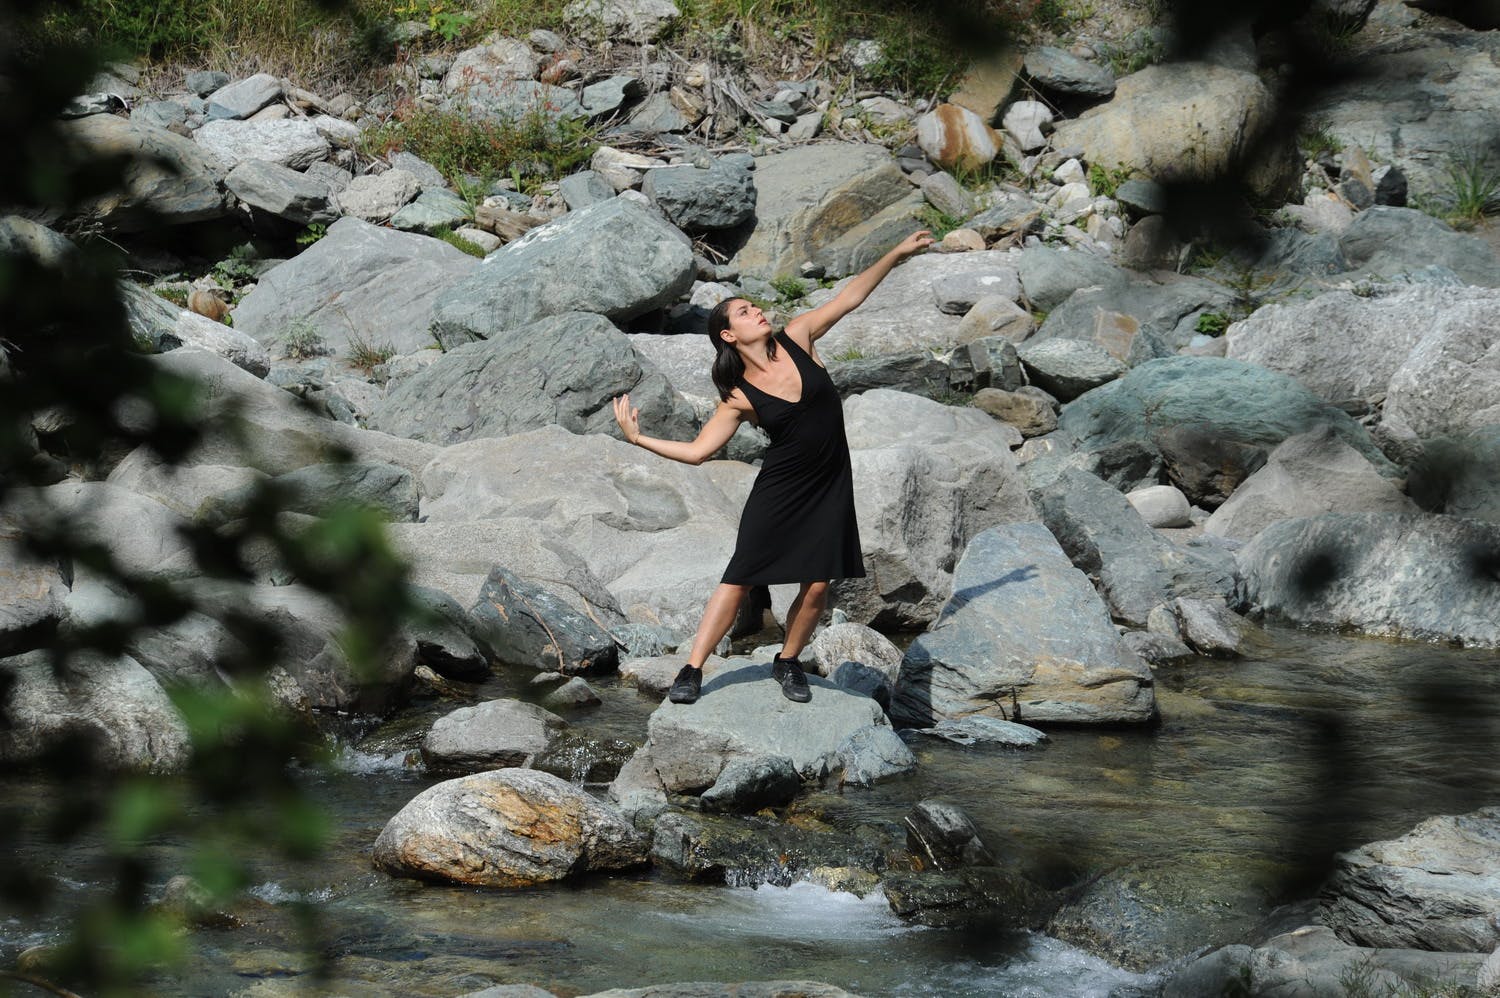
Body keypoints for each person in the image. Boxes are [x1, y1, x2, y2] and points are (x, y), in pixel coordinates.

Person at [613, 230, 935, 705]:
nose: (756, 311)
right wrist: (639, 438)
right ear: (728, 334)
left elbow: (850, 296)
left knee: (818, 581)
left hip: (829, 484)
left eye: (754, 306)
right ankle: (693, 668)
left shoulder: (800, 337)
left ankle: (787, 661)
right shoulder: (739, 395)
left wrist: (895, 254)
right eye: (744, 312)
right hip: (780, 489)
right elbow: (700, 452)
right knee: (740, 575)